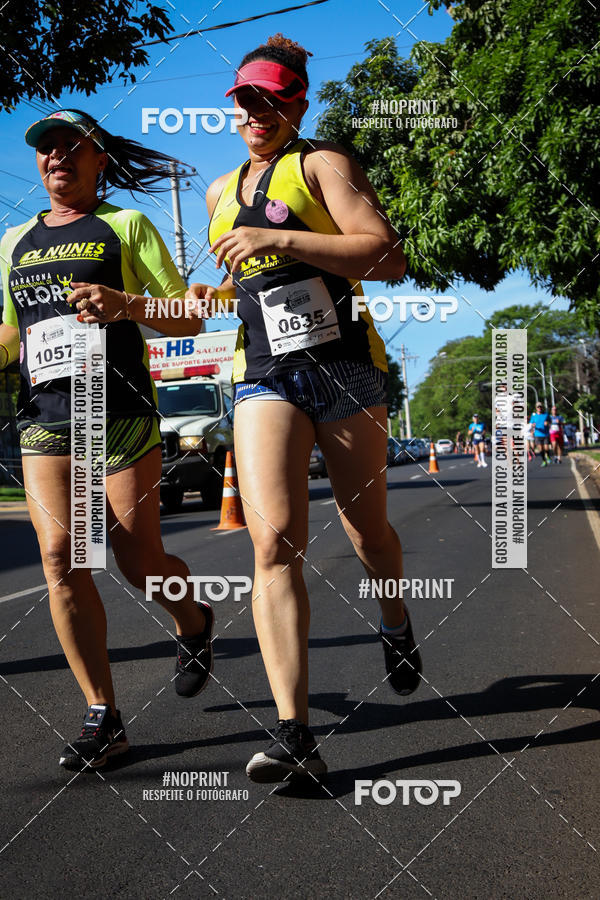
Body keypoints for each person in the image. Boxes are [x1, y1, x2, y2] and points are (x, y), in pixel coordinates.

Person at [184, 34, 421, 783]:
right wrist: (209, 297)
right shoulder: (220, 192)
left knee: (369, 534)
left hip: (346, 371)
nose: (256, 112)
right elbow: (245, 281)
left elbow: (386, 254)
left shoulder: (323, 163)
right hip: (266, 376)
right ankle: (296, 738)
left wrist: (277, 235)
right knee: (273, 543)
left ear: (298, 103)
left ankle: (396, 622)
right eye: (245, 100)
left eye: (272, 100)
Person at [0, 110, 214, 772]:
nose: (56, 157)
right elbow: (10, 332)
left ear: (98, 160)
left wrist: (122, 305)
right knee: (61, 558)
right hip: (47, 416)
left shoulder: (125, 226)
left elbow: (185, 311)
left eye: (71, 147)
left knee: (137, 559)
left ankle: (194, 622)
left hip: (117, 409)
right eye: (45, 149)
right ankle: (104, 716)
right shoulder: (13, 240)